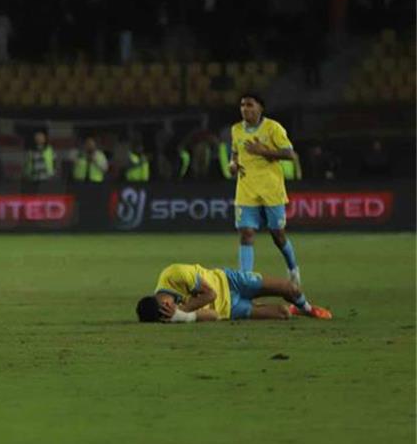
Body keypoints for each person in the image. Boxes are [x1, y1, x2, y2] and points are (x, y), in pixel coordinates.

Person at [228, 93, 305, 284]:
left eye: (250, 105)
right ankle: (245, 280)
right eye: (242, 105)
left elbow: (290, 154)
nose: (245, 108)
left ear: (260, 108)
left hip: (271, 190)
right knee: (246, 233)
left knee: (277, 235)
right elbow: (235, 152)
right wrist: (233, 164)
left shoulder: (273, 128)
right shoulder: (236, 130)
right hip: (246, 190)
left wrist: (264, 151)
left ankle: (292, 267)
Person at [135, 263, 332, 323]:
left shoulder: (174, 274)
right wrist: (182, 316)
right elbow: (213, 314)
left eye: (167, 307)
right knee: (283, 314)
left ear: (161, 302)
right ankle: (295, 309)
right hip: (231, 308)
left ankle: (307, 308)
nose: (170, 309)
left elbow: (210, 295)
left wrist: (183, 308)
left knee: (291, 288)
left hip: (231, 282)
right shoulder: (172, 316)